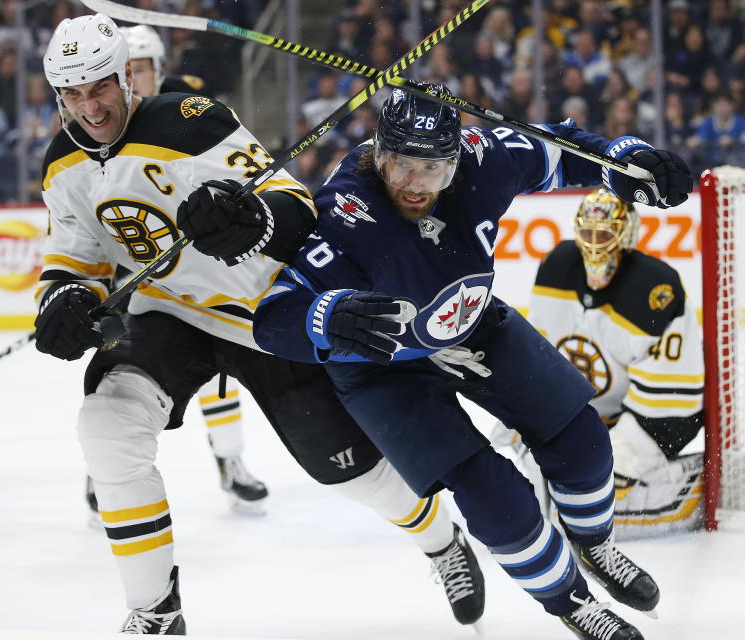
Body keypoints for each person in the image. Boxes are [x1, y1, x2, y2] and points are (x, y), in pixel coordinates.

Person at [36, 15, 484, 634]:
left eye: (100, 89)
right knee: (106, 426)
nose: (90, 108)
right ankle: (155, 612)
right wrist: (63, 298)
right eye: (73, 95)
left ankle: (441, 540)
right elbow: (76, 256)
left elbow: (293, 202)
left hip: (259, 312)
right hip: (169, 315)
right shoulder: (60, 165)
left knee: (344, 468)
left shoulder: (190, 121)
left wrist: (249, 217)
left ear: (124, 79)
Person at [234, 84, 692, 640]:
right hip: (382, 365)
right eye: (398, 163)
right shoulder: (347, 211)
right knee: (494, 497)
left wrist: (625, 162)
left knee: (582, 437)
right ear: (379, 151)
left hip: (469, 323)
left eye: (430, 169)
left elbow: (566, 150)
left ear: (458, 159)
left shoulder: (487, 158)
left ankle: (594, 547)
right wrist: (326, 317)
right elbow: (272, 318)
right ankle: (570, 602)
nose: (411, 183)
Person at [87, 25, 268, 518]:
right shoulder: (92, 123)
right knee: (116, 372)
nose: (136, 78)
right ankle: (104, 469)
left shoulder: (183, 107)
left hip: (191, 269)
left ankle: (230, 462)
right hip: (127, 270)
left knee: (218, 375)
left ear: (155, 69)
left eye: (143, 68)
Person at [527, 188, 705, 541]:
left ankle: (682, 486)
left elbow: (670, 399)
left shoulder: (656, 288)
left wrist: (616, 449)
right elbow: (537, 355)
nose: (595, 245)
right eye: (588, 233)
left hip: (655, 415)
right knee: (518, 485)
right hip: (582, 416)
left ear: (625, 235)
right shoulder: (556, 267)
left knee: (589, 506)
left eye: (605, 234)